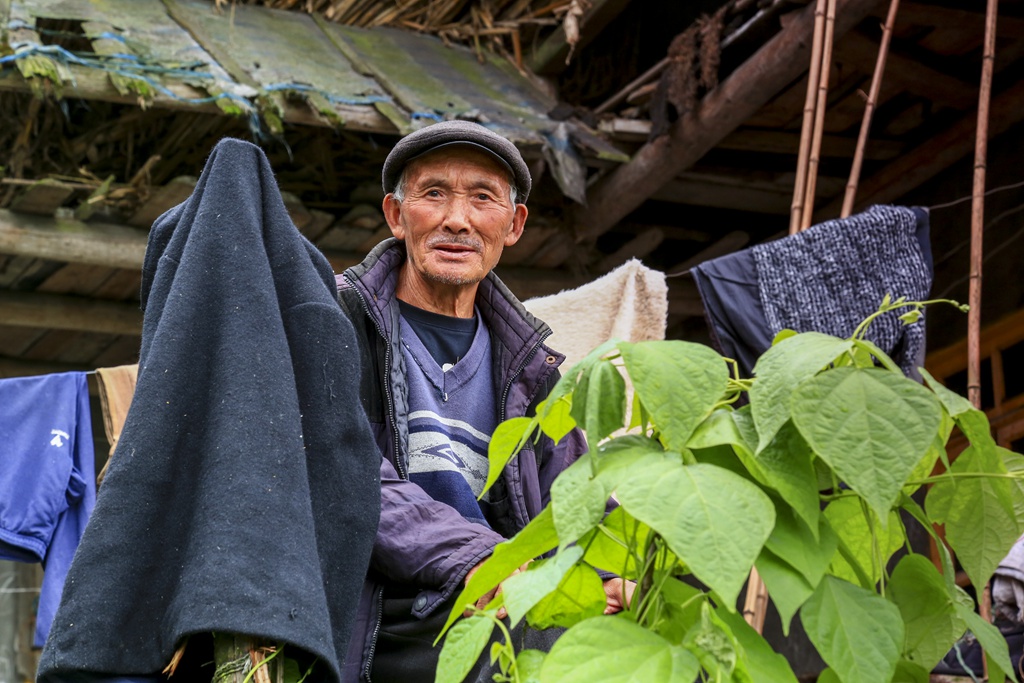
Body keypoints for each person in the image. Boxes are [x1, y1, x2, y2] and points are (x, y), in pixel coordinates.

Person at [336, 120, 633, 682]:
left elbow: (575, 498)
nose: (457, 219)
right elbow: (342, 476)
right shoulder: (337, 321)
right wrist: (489, 563)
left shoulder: (532, 368)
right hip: (379, 608)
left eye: (482, 198)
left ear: (513, 223)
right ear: (396, 216)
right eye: (433, 193)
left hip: (501, 592)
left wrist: (611, 569)